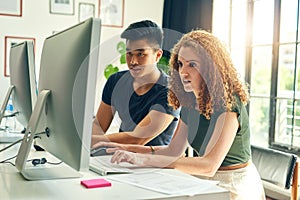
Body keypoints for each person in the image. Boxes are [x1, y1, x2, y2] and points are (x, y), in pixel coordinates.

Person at [106, 30, 266, 200]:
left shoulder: (228, 102)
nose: (183, 72)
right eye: (181, 64)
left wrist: (143, 160)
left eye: (192, 65)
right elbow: (173, 151)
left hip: (234, 184)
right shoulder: (190, 103)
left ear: (211, 67)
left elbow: (209, 165)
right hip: (205, 181)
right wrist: (128, 150)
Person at [91, 20, 180, 149]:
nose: (133, 61)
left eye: (140, 54)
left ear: (158, 55)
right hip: (118, 158)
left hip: (153, 164)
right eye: (129, 53)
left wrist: (89, 141)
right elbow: (98, 126)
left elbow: (136, 139)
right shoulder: (115, 81)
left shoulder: (171, 91)